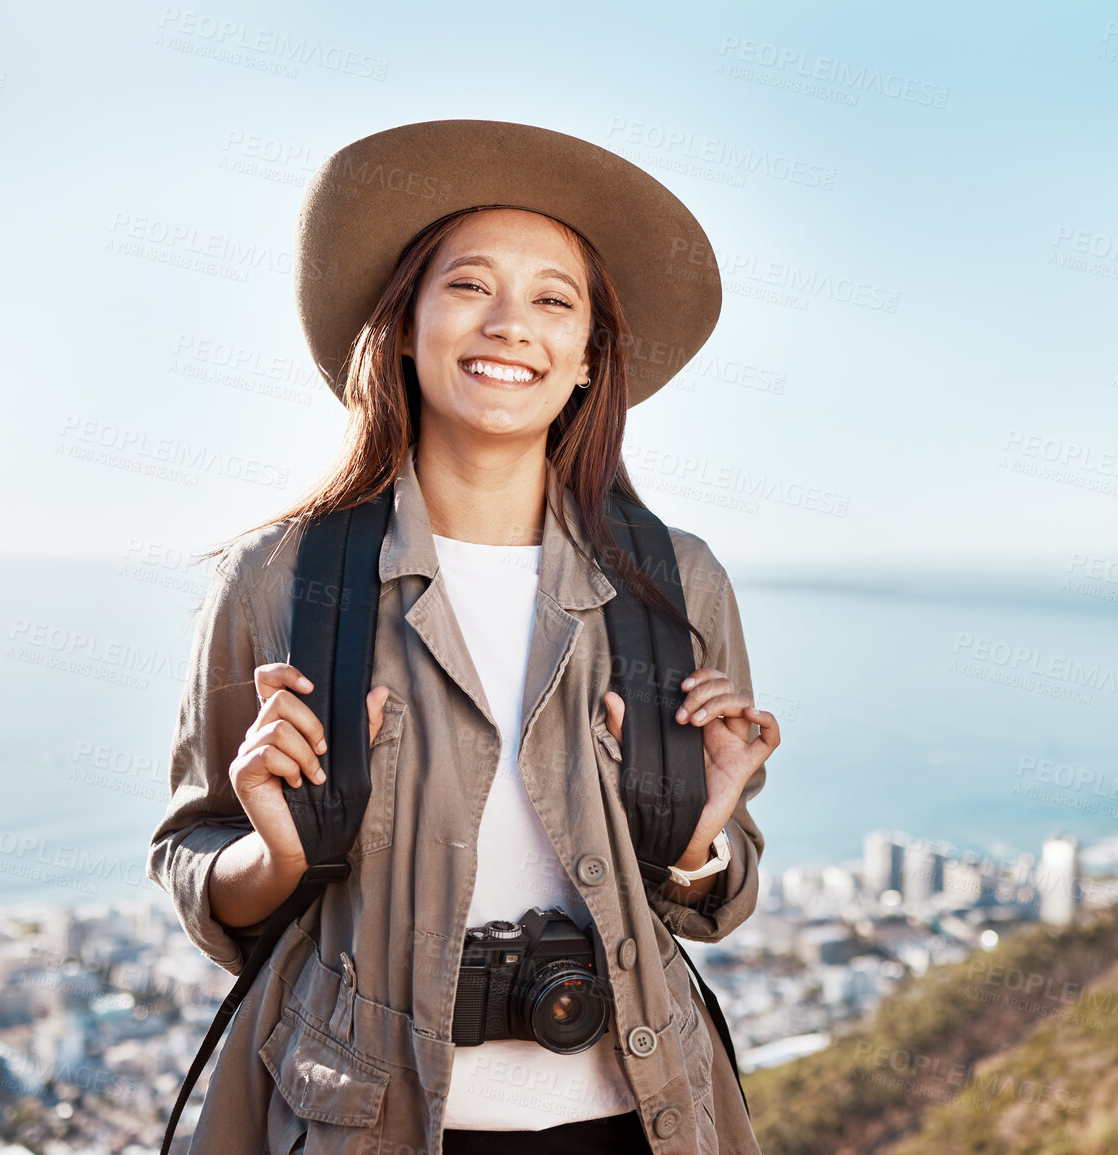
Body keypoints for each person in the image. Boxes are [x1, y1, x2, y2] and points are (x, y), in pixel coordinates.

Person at [149, 119, 779, 1155]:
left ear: (588, 358)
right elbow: (195, 859)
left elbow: (714, 901)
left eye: (552, 300)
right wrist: (271, 848)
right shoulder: (280, 580)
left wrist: (703, 836)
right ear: (402, 326)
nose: (509, 325)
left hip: (640, 1118)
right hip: (368, 1122)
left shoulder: (676, 585)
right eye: (468, 286)